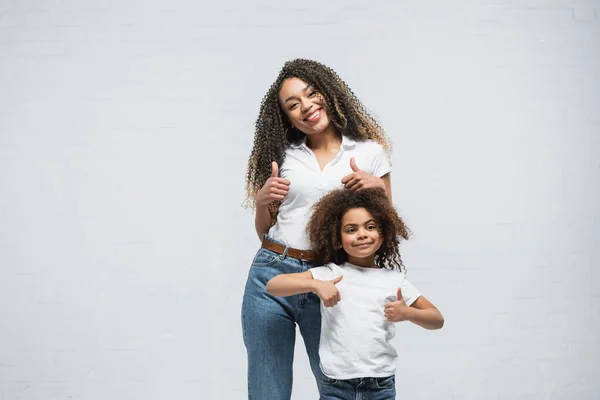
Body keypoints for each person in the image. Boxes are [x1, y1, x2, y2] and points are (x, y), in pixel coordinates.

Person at [241, 59, 395, 399]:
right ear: (286, 116)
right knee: (268, 391)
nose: (305, 106)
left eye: (311, 94)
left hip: (330, 277)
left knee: (336, 385)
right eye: (292, 104)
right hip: (271, 273)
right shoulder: (283, 155)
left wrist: (377, 190)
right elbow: (264, 233)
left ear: (328, 93)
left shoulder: (369, 152)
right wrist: (262, 202)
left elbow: (385, 229)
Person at [266, 188, 444, 400]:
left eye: (370, 227)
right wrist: (316, 286)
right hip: (336, 384)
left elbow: (436, 319)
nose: (362, 234)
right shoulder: (330, 273)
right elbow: (274, 285)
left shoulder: (393, 280)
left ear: (383, 233)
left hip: (380, 384)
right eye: (351, 229)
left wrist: (407, 313)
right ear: (338, 239)